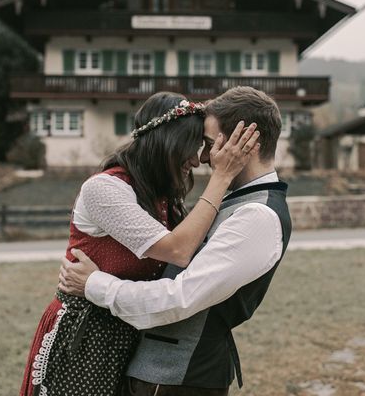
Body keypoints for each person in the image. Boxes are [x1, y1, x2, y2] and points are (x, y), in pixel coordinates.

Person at [20, 91, 259, 396]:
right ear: (165, 144)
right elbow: (178, 250)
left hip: (133, 335)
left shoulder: (162, 197)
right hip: (87, 337)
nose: (196, 160)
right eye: (190, 147)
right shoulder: (104, 189)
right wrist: (222, 177)